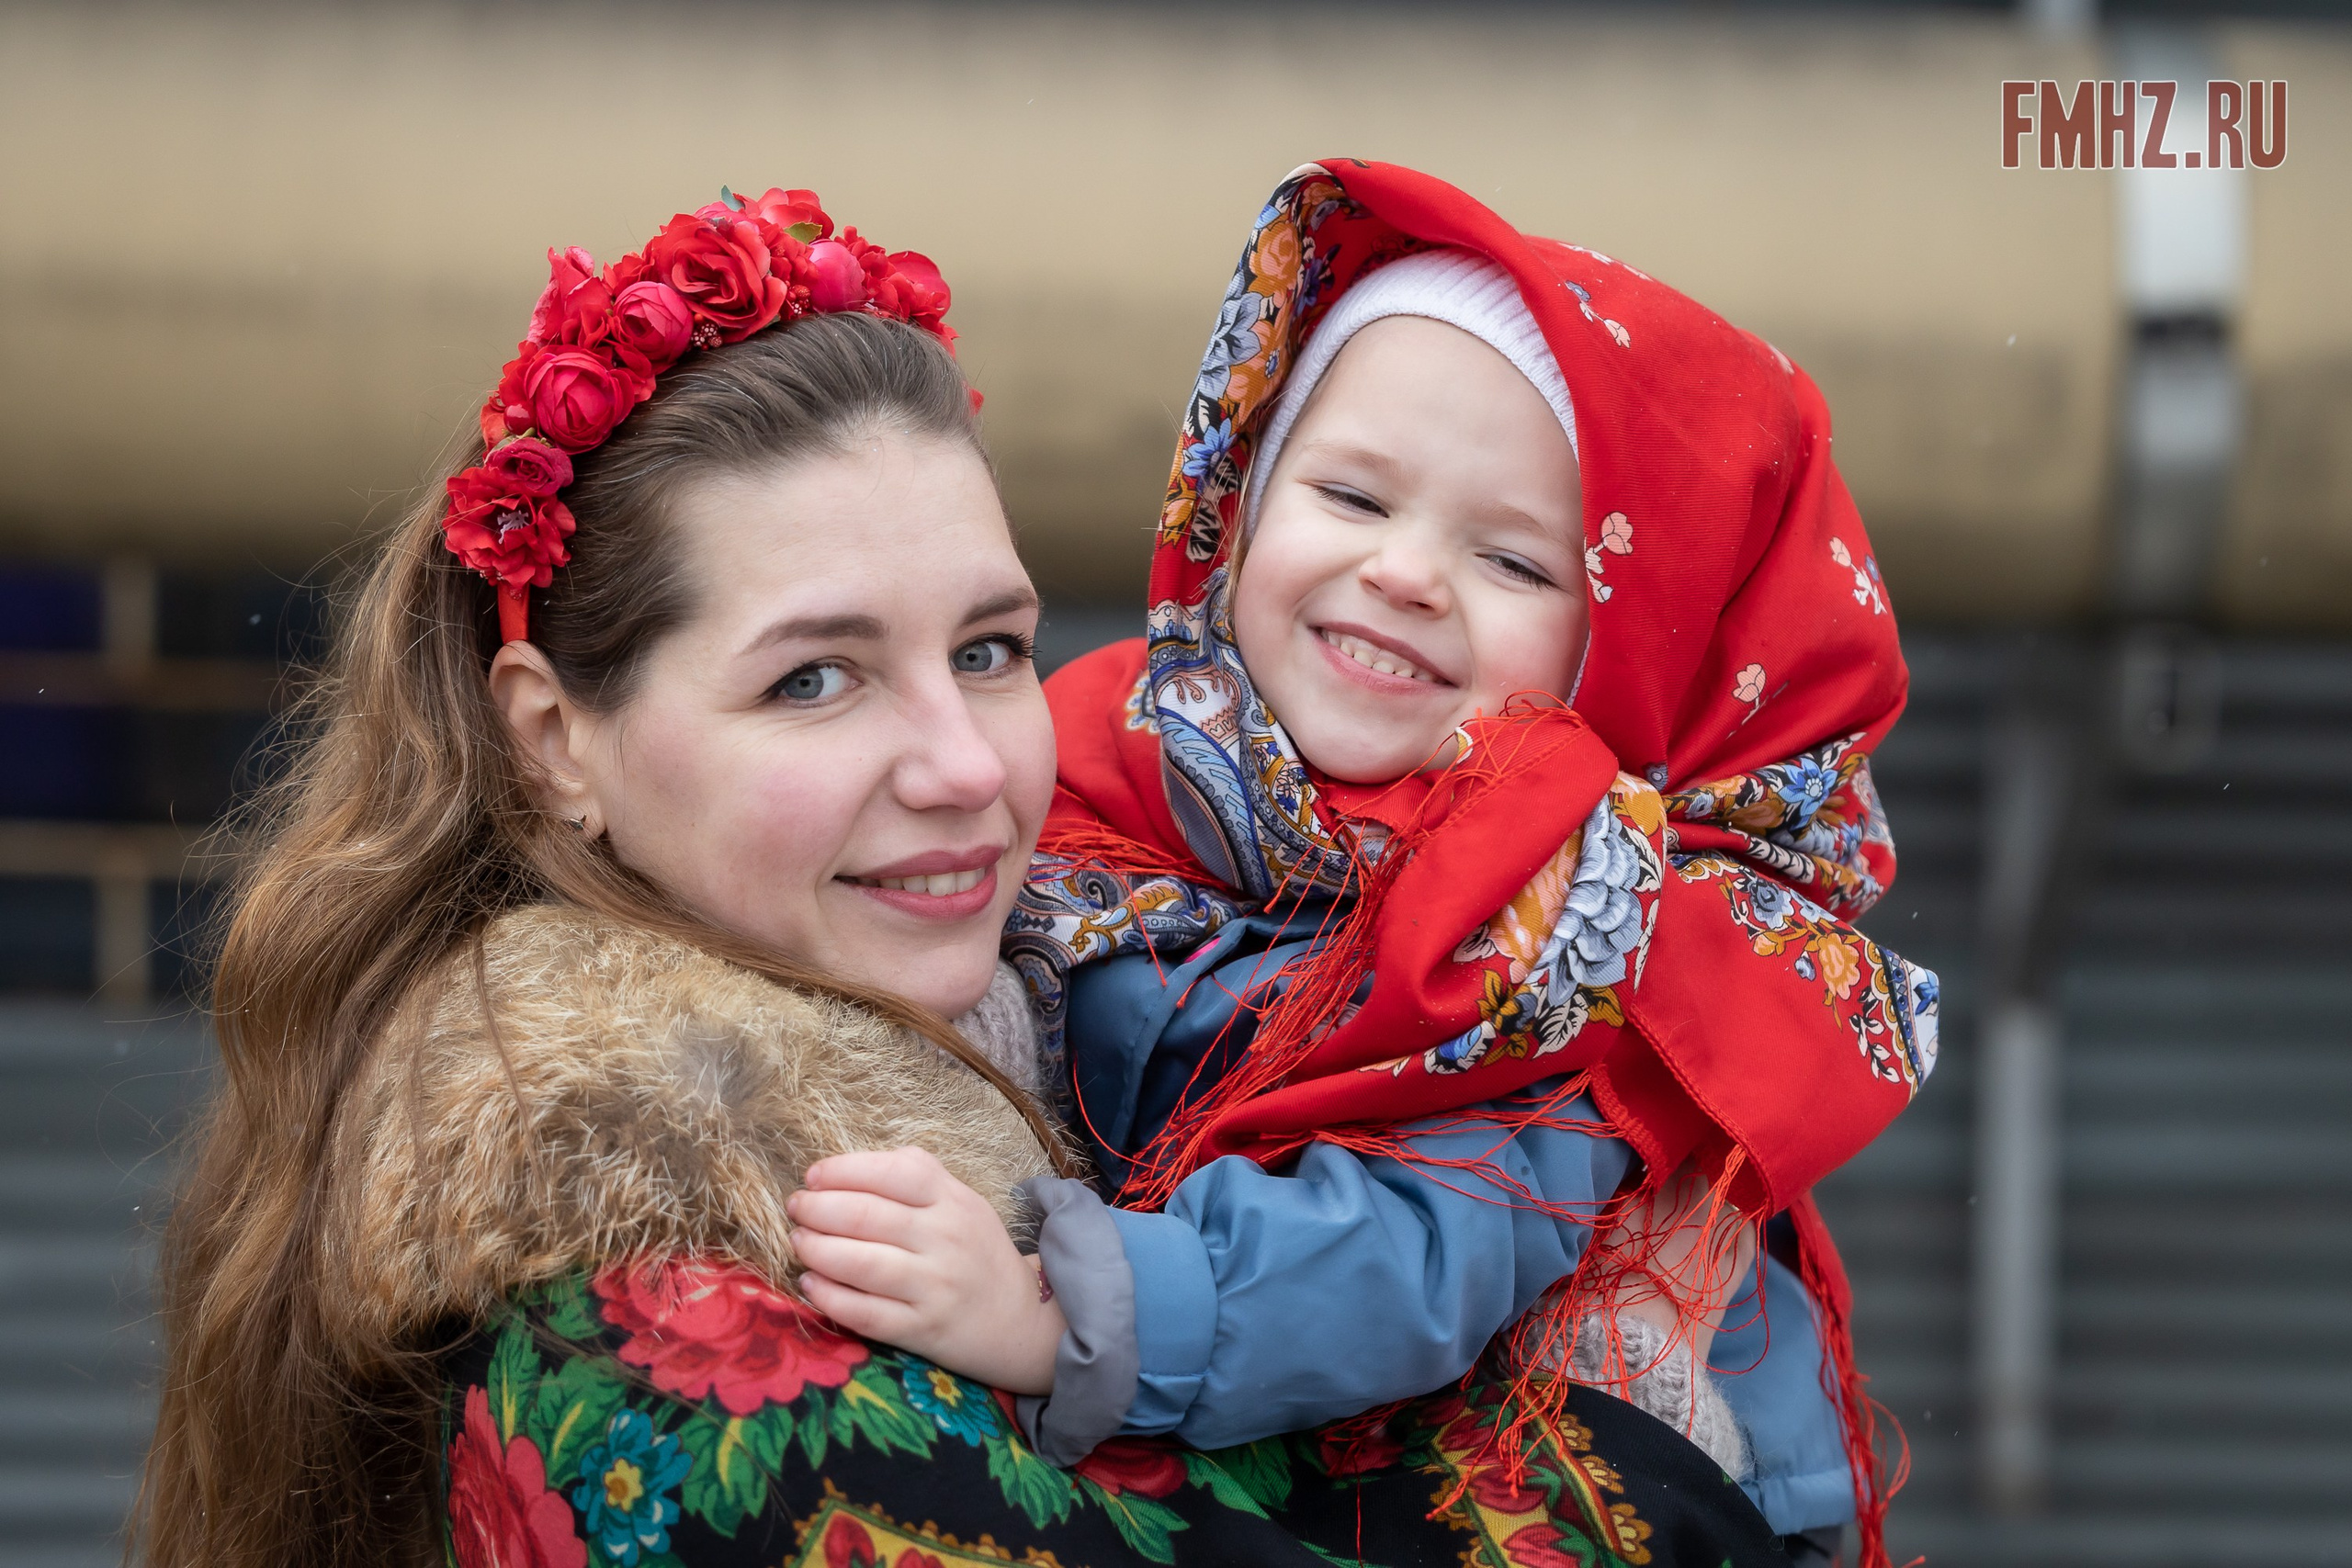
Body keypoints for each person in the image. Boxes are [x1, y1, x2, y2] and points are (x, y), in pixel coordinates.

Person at [134, 185, 1803, 1568]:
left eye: (993, 650)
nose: (963, 767)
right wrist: (1635, 1487)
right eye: (816, 678)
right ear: (557, 743)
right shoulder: (658, 1344)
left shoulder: (1112, 957)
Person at [786, 162, 1942, 1568]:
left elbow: (1416, 1249)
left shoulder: (1569, 926)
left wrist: (1062, 1314)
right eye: (1348, 495)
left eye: (1515, 564)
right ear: (1241, 502)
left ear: (1624, 656)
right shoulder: (1092, 756)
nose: (1405, 573)